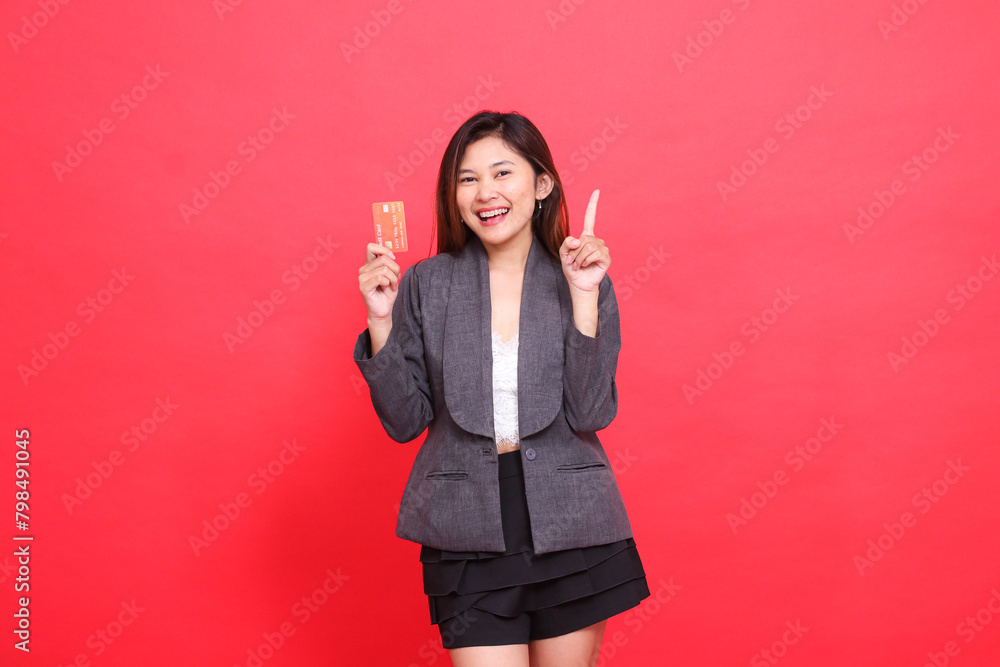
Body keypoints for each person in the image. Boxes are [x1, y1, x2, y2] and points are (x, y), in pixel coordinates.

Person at [354, 111, 650, 666]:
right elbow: (404, 422)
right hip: (465, 522)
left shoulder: (580, 277)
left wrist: (585, 296)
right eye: (467, 179)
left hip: (571, 520)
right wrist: (380, 320)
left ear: (542, 185)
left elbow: (590, 411)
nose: (484, 192)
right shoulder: (426, 283)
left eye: (502, 173)